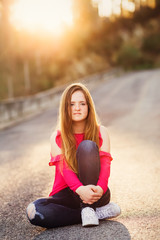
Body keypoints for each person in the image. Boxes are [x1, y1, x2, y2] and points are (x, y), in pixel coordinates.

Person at [26, 83, 121, 228]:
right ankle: (96, 213)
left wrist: (100, 188)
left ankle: (89, 208)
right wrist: (80, 190)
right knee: (35, 211)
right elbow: (66, 170)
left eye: (82, 103)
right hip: (67, 194)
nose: (77, 108)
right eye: (71, 104)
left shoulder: (101, 132)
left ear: (89, 106)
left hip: (96, 192)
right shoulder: (57, 137)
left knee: (87, 146)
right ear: (65, 108)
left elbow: (106, 165)